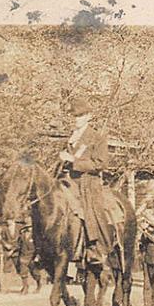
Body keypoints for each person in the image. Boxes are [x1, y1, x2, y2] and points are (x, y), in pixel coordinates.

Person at [58, 97, 112, 266]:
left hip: (88, 182)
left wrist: (73, 161)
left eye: (80, 116)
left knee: (90, 210)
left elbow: (100, 163)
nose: (76, 119)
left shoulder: (97, 137)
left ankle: (95, 247)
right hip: (69, 181)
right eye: (74, 116)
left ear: (89, 116)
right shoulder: (70, 138)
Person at [14, 216, 43, 294]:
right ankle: (25, 287)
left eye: (30, 227)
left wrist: (38, 256)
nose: (29, 229)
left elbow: (39, 247)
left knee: (35, 273)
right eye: (27, 227)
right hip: (23, 256)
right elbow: (18, 245)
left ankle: (39, 284)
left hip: (32, 256)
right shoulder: (22, 235)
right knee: (23, 272)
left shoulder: (36, 236)